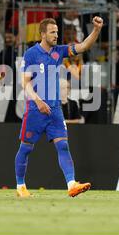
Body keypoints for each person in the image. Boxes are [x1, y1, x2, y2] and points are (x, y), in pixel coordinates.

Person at [15, 16, 103, 198]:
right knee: (26, 148)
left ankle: (71, 184)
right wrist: (38, 101)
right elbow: (25, 82)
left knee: (63, 146)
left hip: (55, 110)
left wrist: (96, 30)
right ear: (43, 34)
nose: (56, 35)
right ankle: (20, 186)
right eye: (52, 32)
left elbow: (83, 46)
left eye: (57, 32)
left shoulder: (59, 52)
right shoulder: (31, 53)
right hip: (35, 110)